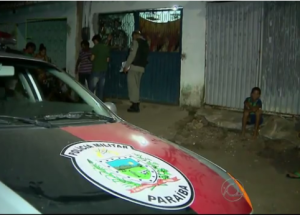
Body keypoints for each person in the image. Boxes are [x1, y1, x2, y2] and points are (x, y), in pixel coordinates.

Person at [123, 30, 149, 113]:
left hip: (134, 66)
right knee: (137, 86)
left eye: (133, 36)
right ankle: (136, 103)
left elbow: (132, 54)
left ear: (135, 35)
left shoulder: (135, 42)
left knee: (132, 85)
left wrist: (126, 66)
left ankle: (135, 105)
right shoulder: (146, 43)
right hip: (142, 67)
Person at [90, 34, 110, 101]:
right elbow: (107, 60)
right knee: (101, 88)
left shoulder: (96, 47)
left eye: (94, 41)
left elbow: (92, 58)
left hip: (96, 69)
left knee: (92, 87)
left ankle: (91, 101)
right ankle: (100, 102)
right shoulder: (106, 47)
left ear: (95, 40)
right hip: (104, 69)